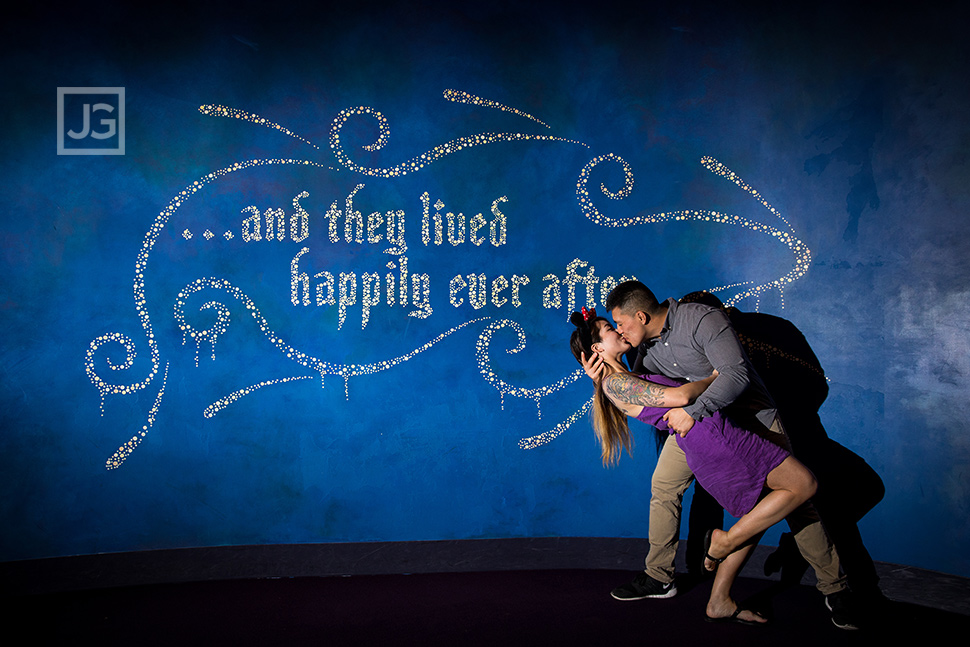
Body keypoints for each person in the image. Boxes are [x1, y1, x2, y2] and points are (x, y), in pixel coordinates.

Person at [584, 281, 856, 630]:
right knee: (664, 486)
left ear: (641, 315)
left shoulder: (701, 319)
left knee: (793, 499)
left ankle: (836, 589)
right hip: (698, 427)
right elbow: (641, 392)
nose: (619, 329)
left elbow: (736, 375)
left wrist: (695, 408)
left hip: (748, 416)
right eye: (612, 328)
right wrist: (600, 373)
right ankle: (658, 576)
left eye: (619, 323)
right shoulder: (644, 348)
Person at [679, 291, 886, 610]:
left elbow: (808, 384)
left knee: (807, 506)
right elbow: (819, 384)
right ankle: (853, 590)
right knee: (821, 505)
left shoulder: (720, 338)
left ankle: (707, 576)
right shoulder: (774, 326)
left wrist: (780, 420)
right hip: (791, 433)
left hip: (773, 437)